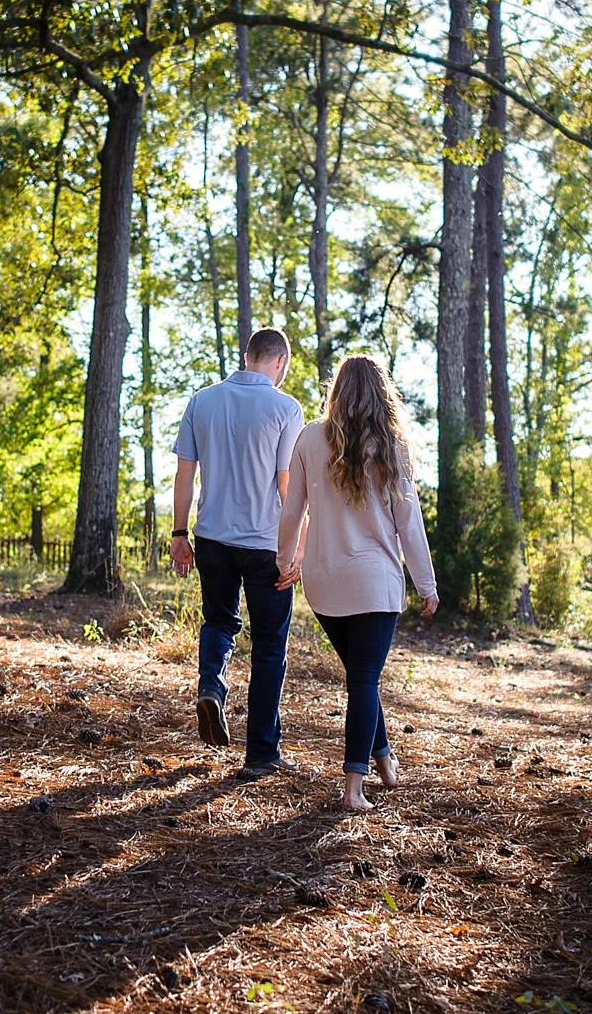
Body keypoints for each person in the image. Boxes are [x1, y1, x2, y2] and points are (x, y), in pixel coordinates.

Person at [275, 355, 438, 812]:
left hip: (326, 583)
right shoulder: (391, 444)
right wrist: (426, 584)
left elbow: (293, 511)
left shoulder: (309, 437)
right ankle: (353, 788)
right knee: (363, 679)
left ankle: (384, 759)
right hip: (375, 582)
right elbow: (410, 523)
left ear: (337, 390)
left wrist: (284, 560)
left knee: (361, 677)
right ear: (381, 392)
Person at [171, 327, 306, 779]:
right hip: (265, 544)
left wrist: (178, 534)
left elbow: (185, 476)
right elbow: (288, 486)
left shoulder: (201, 401)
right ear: (281, 363)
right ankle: (262, 753)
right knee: (269, 646)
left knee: (219, 621)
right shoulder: (286, 409)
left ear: (246, 355)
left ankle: (211, 686)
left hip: (211, 538)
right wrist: (296, 549)